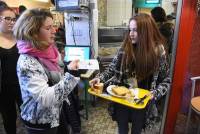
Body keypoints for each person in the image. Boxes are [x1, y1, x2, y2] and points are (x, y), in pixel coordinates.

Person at [89, 13, 171, 134]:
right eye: (130, 30)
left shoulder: (158, 52)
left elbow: (167, 79)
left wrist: (156, 93)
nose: (131, 34)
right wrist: (99, 79)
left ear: (146, 32)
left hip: (141, 101)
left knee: (137, 130)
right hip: (123, 99)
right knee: (122, 130)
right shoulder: (125, 47)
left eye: (135, 30)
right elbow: (111, 69)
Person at [13, 8, 80, 134]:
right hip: (40, 122)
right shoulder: (27, 61)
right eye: (48, 28)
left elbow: (56, 77)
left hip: (56, 113)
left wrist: (66, 67)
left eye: (53, 26)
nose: (54, 31)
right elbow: (45, 98)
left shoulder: (48, 49)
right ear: (33, 32)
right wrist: (70, 75)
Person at [0, 1, 23, 134]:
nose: (11, 22)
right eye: (7, 19)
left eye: (13, 19)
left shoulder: (20, 39)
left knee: (27, 115)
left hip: (22, 85)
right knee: (9, 119)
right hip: (3, 88)